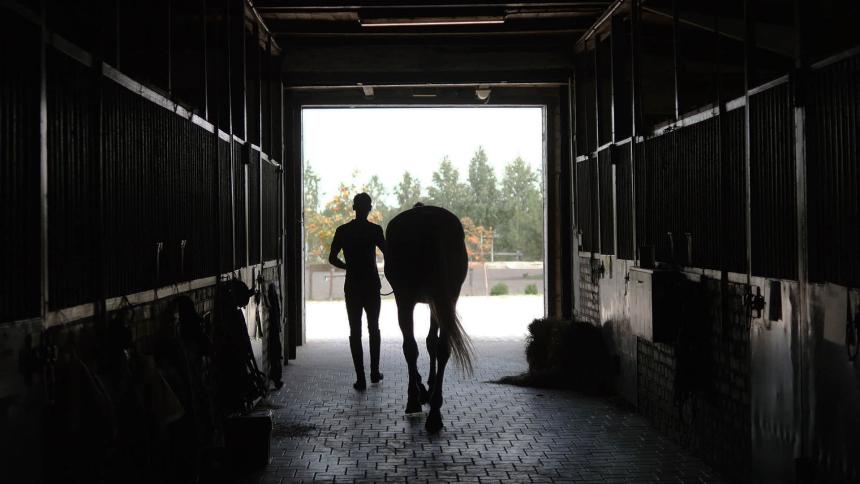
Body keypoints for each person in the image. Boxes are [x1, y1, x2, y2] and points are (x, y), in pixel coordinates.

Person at [329, 193, 385, 390]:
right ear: (369, 208)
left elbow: (332, 258)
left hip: (352, 285)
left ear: (354, 208)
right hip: (371, 285)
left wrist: (348, 267)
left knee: (355, 331)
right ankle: (374, 373)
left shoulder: (343, 231)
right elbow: (389, 253)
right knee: (374, 329)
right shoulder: (375, 230)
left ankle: (360, 377)